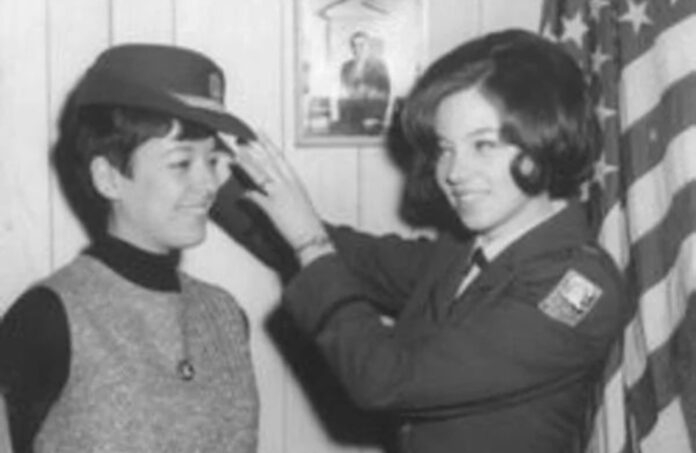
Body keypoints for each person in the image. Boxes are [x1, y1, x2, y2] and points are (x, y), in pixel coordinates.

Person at [224, 29, 633, 453]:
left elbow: (388, 380)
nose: (453, 172)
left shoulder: (579, 287)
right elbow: (352, 256)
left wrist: (310, 243)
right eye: (444, 149)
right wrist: (210, 170)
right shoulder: (468, 252)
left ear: (546, 140)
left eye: (483, 145)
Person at [0, 44, 259, 453]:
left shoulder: (225, 316)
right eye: (181, 163)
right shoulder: (46, 319)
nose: (209, 184)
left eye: (211, 161)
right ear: (108, 178)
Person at [336, 31, 391, 134]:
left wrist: (376, 117)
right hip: (351, 118)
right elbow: (344, 93)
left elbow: (385, 93)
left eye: (362, 45)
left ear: (368, 47)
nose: (358, 49)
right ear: (352, 48)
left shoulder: (379, 66)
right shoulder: (346, 67)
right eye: (355, 45)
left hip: (372, 117)